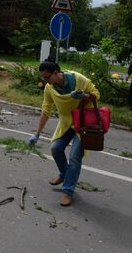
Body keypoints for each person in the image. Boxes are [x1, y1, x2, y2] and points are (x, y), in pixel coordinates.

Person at [28, 57, 100, 207]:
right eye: (43, 78)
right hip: (67, 123)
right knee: (55, 148)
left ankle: (67, 191)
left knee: (74, 157)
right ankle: (64, 174)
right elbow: (46, 110)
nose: (46, 81)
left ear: (57, 73)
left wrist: (84, 96)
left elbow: (96, 95)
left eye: (47, 77)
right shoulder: (49, 88)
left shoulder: (78, 79)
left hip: (83, 124)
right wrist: (37, 134)